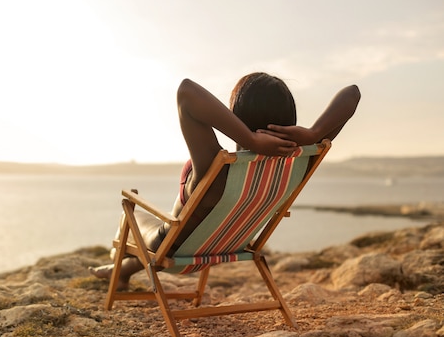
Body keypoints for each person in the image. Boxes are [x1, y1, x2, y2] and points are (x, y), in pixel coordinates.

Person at [90, 73, 361, 289]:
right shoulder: (299, 160)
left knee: (131, 216)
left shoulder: (216, 167)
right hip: (230, 245)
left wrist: (250, 140)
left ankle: (117, 266)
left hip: (173, 249)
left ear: (236, 116)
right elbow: (353, 94)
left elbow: (186, 91)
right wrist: (313, 132)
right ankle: (122, 272)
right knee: (174, 229)